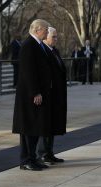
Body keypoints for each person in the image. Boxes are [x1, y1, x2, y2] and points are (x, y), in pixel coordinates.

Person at [12, 19, 51, 171]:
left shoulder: (38, 45)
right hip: (30, 95)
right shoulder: (29, 45)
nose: (47, 32)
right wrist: (35, 92)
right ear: (37, 30)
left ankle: (32, 158)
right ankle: (26, 160)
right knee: (28, 128)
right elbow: (28, 72)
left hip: (36, 93)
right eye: (45, 30)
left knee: (35, 127)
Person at [37, 27, 67, 164]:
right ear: (45, 37)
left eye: (56, 36)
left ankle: (49, 153)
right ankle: (43, 153)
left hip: (56, 94)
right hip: (48, 94)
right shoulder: (42, 51)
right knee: (45, 126)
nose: (56, 39)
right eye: (53, 37)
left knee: (53, 124)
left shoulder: (54, 51)